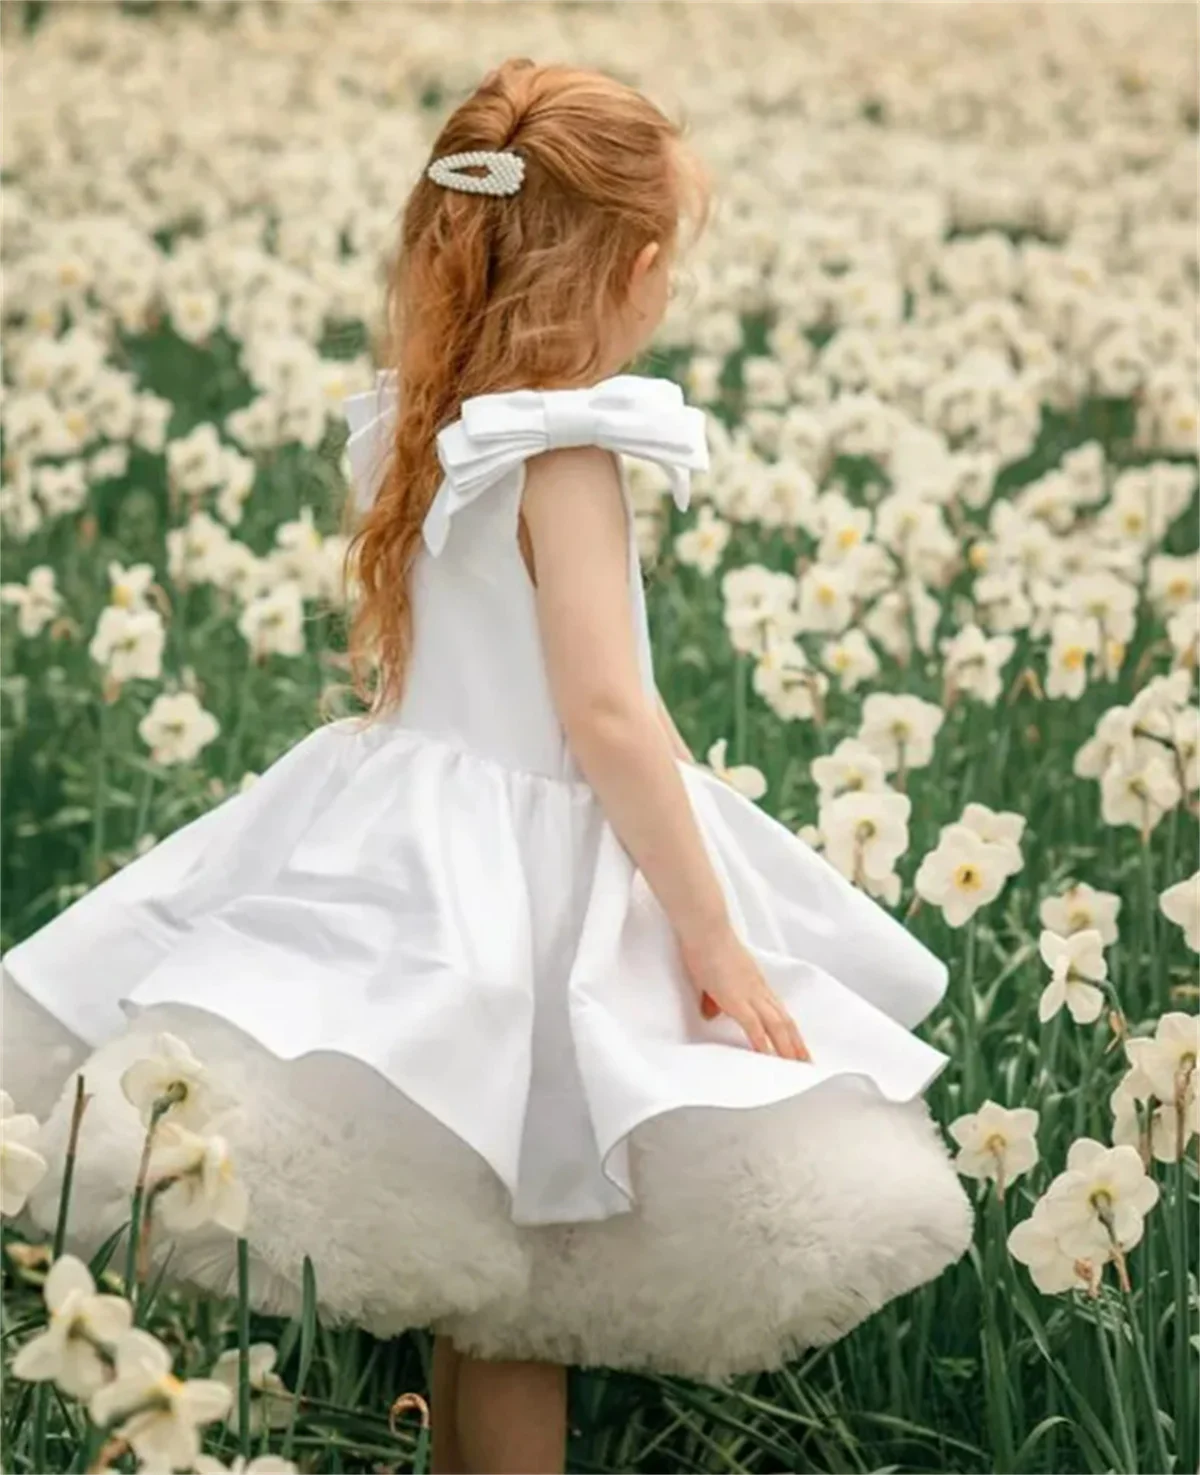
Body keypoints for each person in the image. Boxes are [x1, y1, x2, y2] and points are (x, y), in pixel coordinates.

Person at [3, 58, 972, 1475]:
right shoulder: (562, 452)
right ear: (638, 268)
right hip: (543, 891)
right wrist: (715, 936)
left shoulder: (420, 427)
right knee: (524, 1283)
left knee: (492, 1291)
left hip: (412, 851)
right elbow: (607, 712)